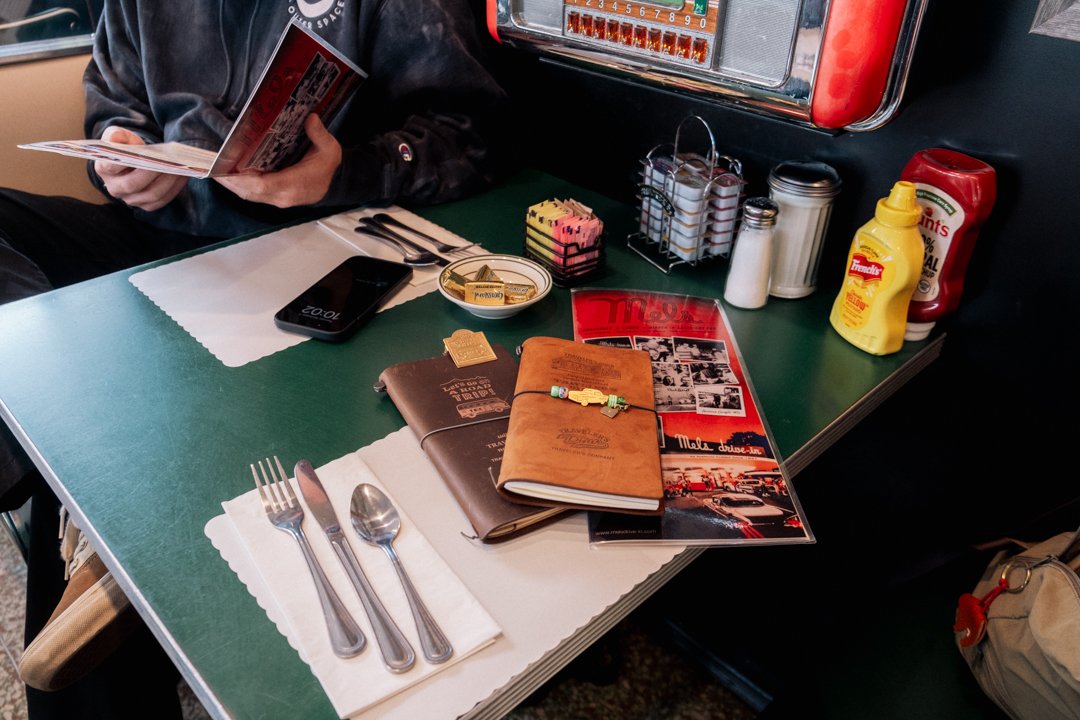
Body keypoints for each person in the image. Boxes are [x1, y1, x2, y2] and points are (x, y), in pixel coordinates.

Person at [0, 0, 507, 715]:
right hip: (152, 237)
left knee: (88, 471)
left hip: (308, 249)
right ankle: (31, 449)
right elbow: (111, 106)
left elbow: (472, 136)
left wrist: (347, 172)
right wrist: (120, 151)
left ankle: (57, 464)